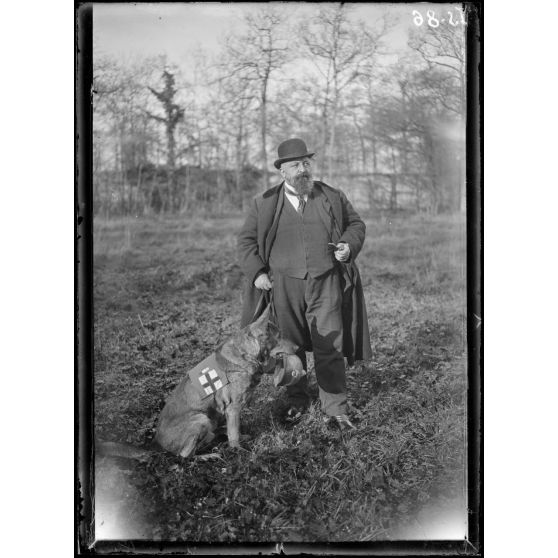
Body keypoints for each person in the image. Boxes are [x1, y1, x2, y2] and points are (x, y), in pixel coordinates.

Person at [238, 138, 371, 431]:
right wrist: (258, 272)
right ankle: (297, 401)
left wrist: (348, 246)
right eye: (296, 165)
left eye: (306, 163)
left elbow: (356, 225)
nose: (303, 169)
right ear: (282, 171)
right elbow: (246, 241)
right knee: (289, 348)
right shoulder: (264, 204)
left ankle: (335, 409)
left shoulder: (331, 196)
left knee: (330, 345)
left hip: (326, 283)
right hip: (283, 287)